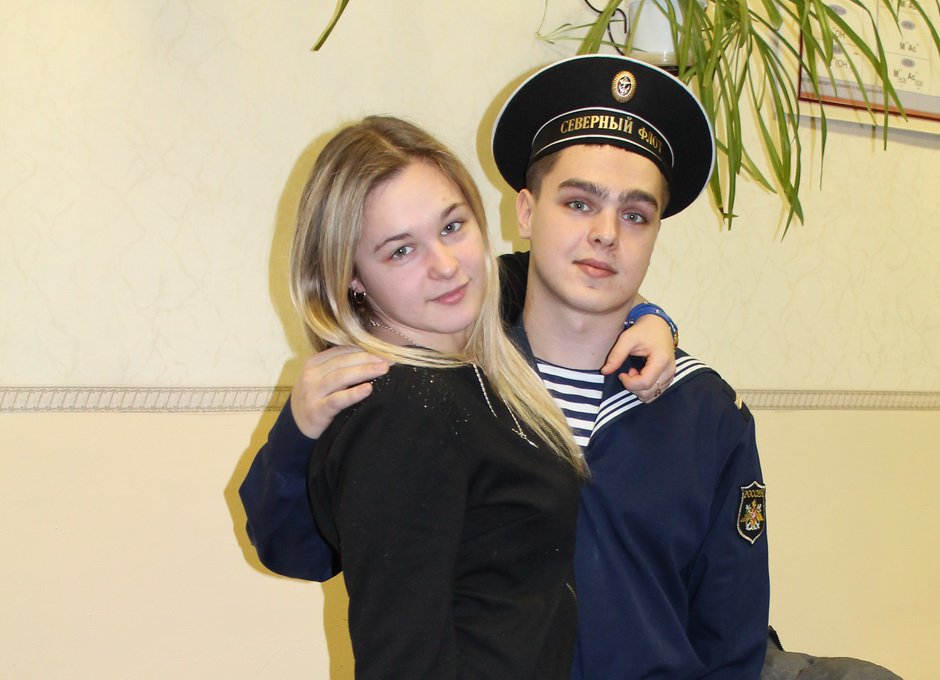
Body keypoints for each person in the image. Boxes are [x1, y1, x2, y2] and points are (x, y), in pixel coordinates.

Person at [242, 54, 769, 679]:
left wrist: (653, 315)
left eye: (635, 215)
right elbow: (303, 548)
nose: (606, 235)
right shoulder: (448, 377)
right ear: (524, 211)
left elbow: (731, 637)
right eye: (578, 203)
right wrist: (297, 434)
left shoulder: (703, 413)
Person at [284, 114, 586, 679]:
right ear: (351, 277)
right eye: (401, 251)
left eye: (452, 226)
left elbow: (574, 279)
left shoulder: (467, 377)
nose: (445, 266)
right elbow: (402, 659)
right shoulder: (405, 411)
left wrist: (650, 317)